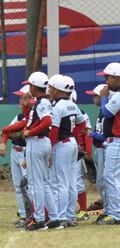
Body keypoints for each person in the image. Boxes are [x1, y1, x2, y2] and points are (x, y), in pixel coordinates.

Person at [2, 72, 62, 231]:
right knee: (44, 183)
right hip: (43, 142)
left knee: (36, 184)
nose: (29, 87)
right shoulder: (42, 102)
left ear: (34, 86)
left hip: (37, 142)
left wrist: (30, 132)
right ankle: (54, 218)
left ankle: (40, 219)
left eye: (30, 85)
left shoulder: (41, 103)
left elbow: (47, 121)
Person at [47, 75, 86, 228]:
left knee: (59, 182)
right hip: (71, 143)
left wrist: (49, 151)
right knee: (70, 181)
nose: (49, 90)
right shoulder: (71, 104)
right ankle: (70, 216)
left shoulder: (58, 107)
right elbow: (82, 123)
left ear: (57, 90)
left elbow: (54, 131)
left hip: (61, 144)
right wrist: (73, 135)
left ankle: (61, 216)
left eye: (50, 87)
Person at [0, 85, 33, 227]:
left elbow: (8, 129)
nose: (20, 100)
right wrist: (2, 143)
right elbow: (6, 132)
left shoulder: (34, 115)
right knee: (18, 184)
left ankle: (33, 214)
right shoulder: (19, 116)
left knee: (28, 185)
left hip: (27, 151)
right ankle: (23, 214)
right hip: (15, 151)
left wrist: (9, 130)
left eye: (22, 97)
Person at [95, 62, 120, 224]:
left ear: (117, 78)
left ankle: (116, 214)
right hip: (113, 141)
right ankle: (111, 210)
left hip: (117, 141)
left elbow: (106, 112)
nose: (106, 80)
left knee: (111, 177)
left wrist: (104, 96)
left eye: (108, 77)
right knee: (109, 177)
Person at [85, 84, 109, 215]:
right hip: (100, 149)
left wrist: (92, 134)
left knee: (104, 181)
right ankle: (107, 207)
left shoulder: (107, 112)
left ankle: (110, 209)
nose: (93, 98)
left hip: (105, 148)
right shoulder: (101, 111)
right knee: (102, 182)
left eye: (95, 96)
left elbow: (106, 135)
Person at [70, 90, 93, 222]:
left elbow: (87, 132)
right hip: (64, 149)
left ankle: (83, 211)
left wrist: (88, 151)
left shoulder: (81, 113)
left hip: (77, 151)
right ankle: (69, 210)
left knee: (77, 180)